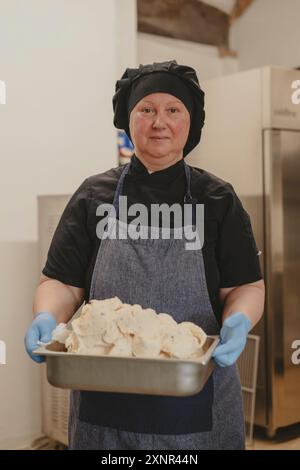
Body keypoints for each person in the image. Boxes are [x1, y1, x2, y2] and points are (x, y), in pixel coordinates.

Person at [25, 60, 265, 450]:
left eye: (173, 110)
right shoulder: (93, 196)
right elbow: (62, 282)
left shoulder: (218, 199)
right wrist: (47, 315)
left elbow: (245, 286)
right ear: (128, 118)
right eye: (146, 109)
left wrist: (239, 318)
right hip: (104, 412)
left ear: (191, 122)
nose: (160, 122)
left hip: (197, 407)